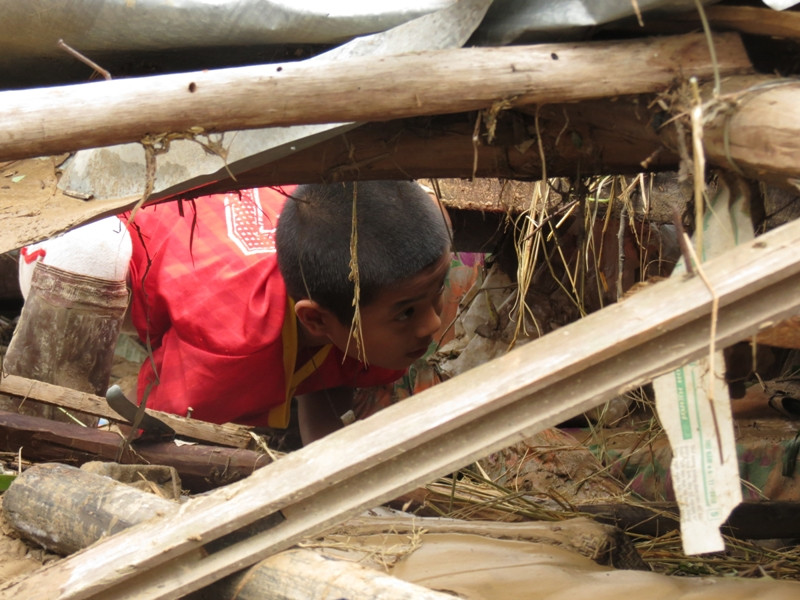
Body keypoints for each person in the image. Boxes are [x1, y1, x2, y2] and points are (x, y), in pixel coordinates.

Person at [17, 180, 453, 445]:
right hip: (107, 225)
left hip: (215, 242)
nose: (433, 324)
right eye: (407, 313)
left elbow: (331, 379)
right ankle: (54, 424)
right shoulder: (235, 343)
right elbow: (152, 425)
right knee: (90, 250)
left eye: (436, 294)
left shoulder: (371, 290)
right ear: (315, 321)